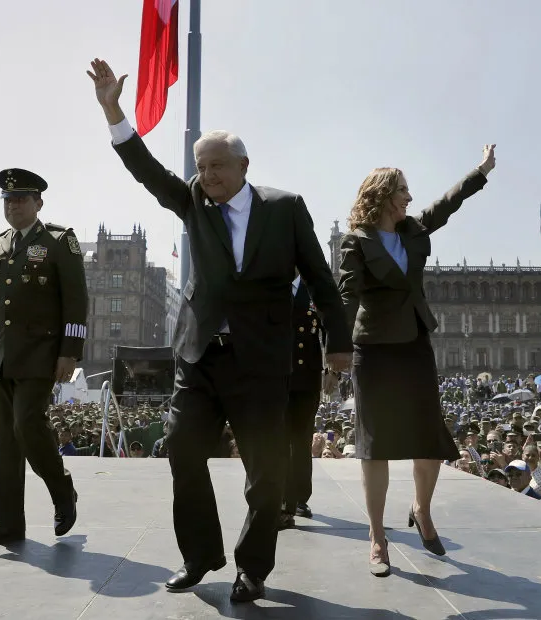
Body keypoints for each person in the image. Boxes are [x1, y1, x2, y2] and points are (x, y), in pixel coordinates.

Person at [88, 58, 351, 603]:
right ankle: (199, 554)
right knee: (182, 446)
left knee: (265, 470)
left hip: (260, 357)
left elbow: (321, 278)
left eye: (215, 167)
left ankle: (252, 568)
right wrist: (115, 111)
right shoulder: (191, 201)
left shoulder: (284, 208)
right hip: (201, 352)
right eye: (200, 167)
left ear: (243, 165)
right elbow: (146, 169)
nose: (205, 176)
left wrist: (340, 343)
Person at [337, 145, 496, 576]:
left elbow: (447, 205)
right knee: (375, 446)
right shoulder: (356, 240)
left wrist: (479, 172)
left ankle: (421, 510)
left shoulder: (412, 230)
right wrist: (334, 347)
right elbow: (348, 296)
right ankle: (376, 537)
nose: (409, 196)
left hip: (414, 341)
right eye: (403, 190)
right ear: (384, 194)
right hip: (373, 348)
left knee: (430, 436)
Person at [0, 168, 88, 547]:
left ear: (38, 202)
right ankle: (7, 523)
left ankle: (61, 490)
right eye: (8, 199)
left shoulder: (57, 241)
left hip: (41, 354)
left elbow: (76, 302)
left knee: (26, 424)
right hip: (2, 357)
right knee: (2, 442)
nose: (13, 204)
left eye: (21, 198)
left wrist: (71, 352)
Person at [280, 274, 325, 530]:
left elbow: (331, 324)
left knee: (301, 439)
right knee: (278, 439)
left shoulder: (315, 288)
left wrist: (332, 368)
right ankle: (280, 498)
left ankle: (299, 499)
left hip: (307, 376)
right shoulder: (272, 282)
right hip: (277, 374)